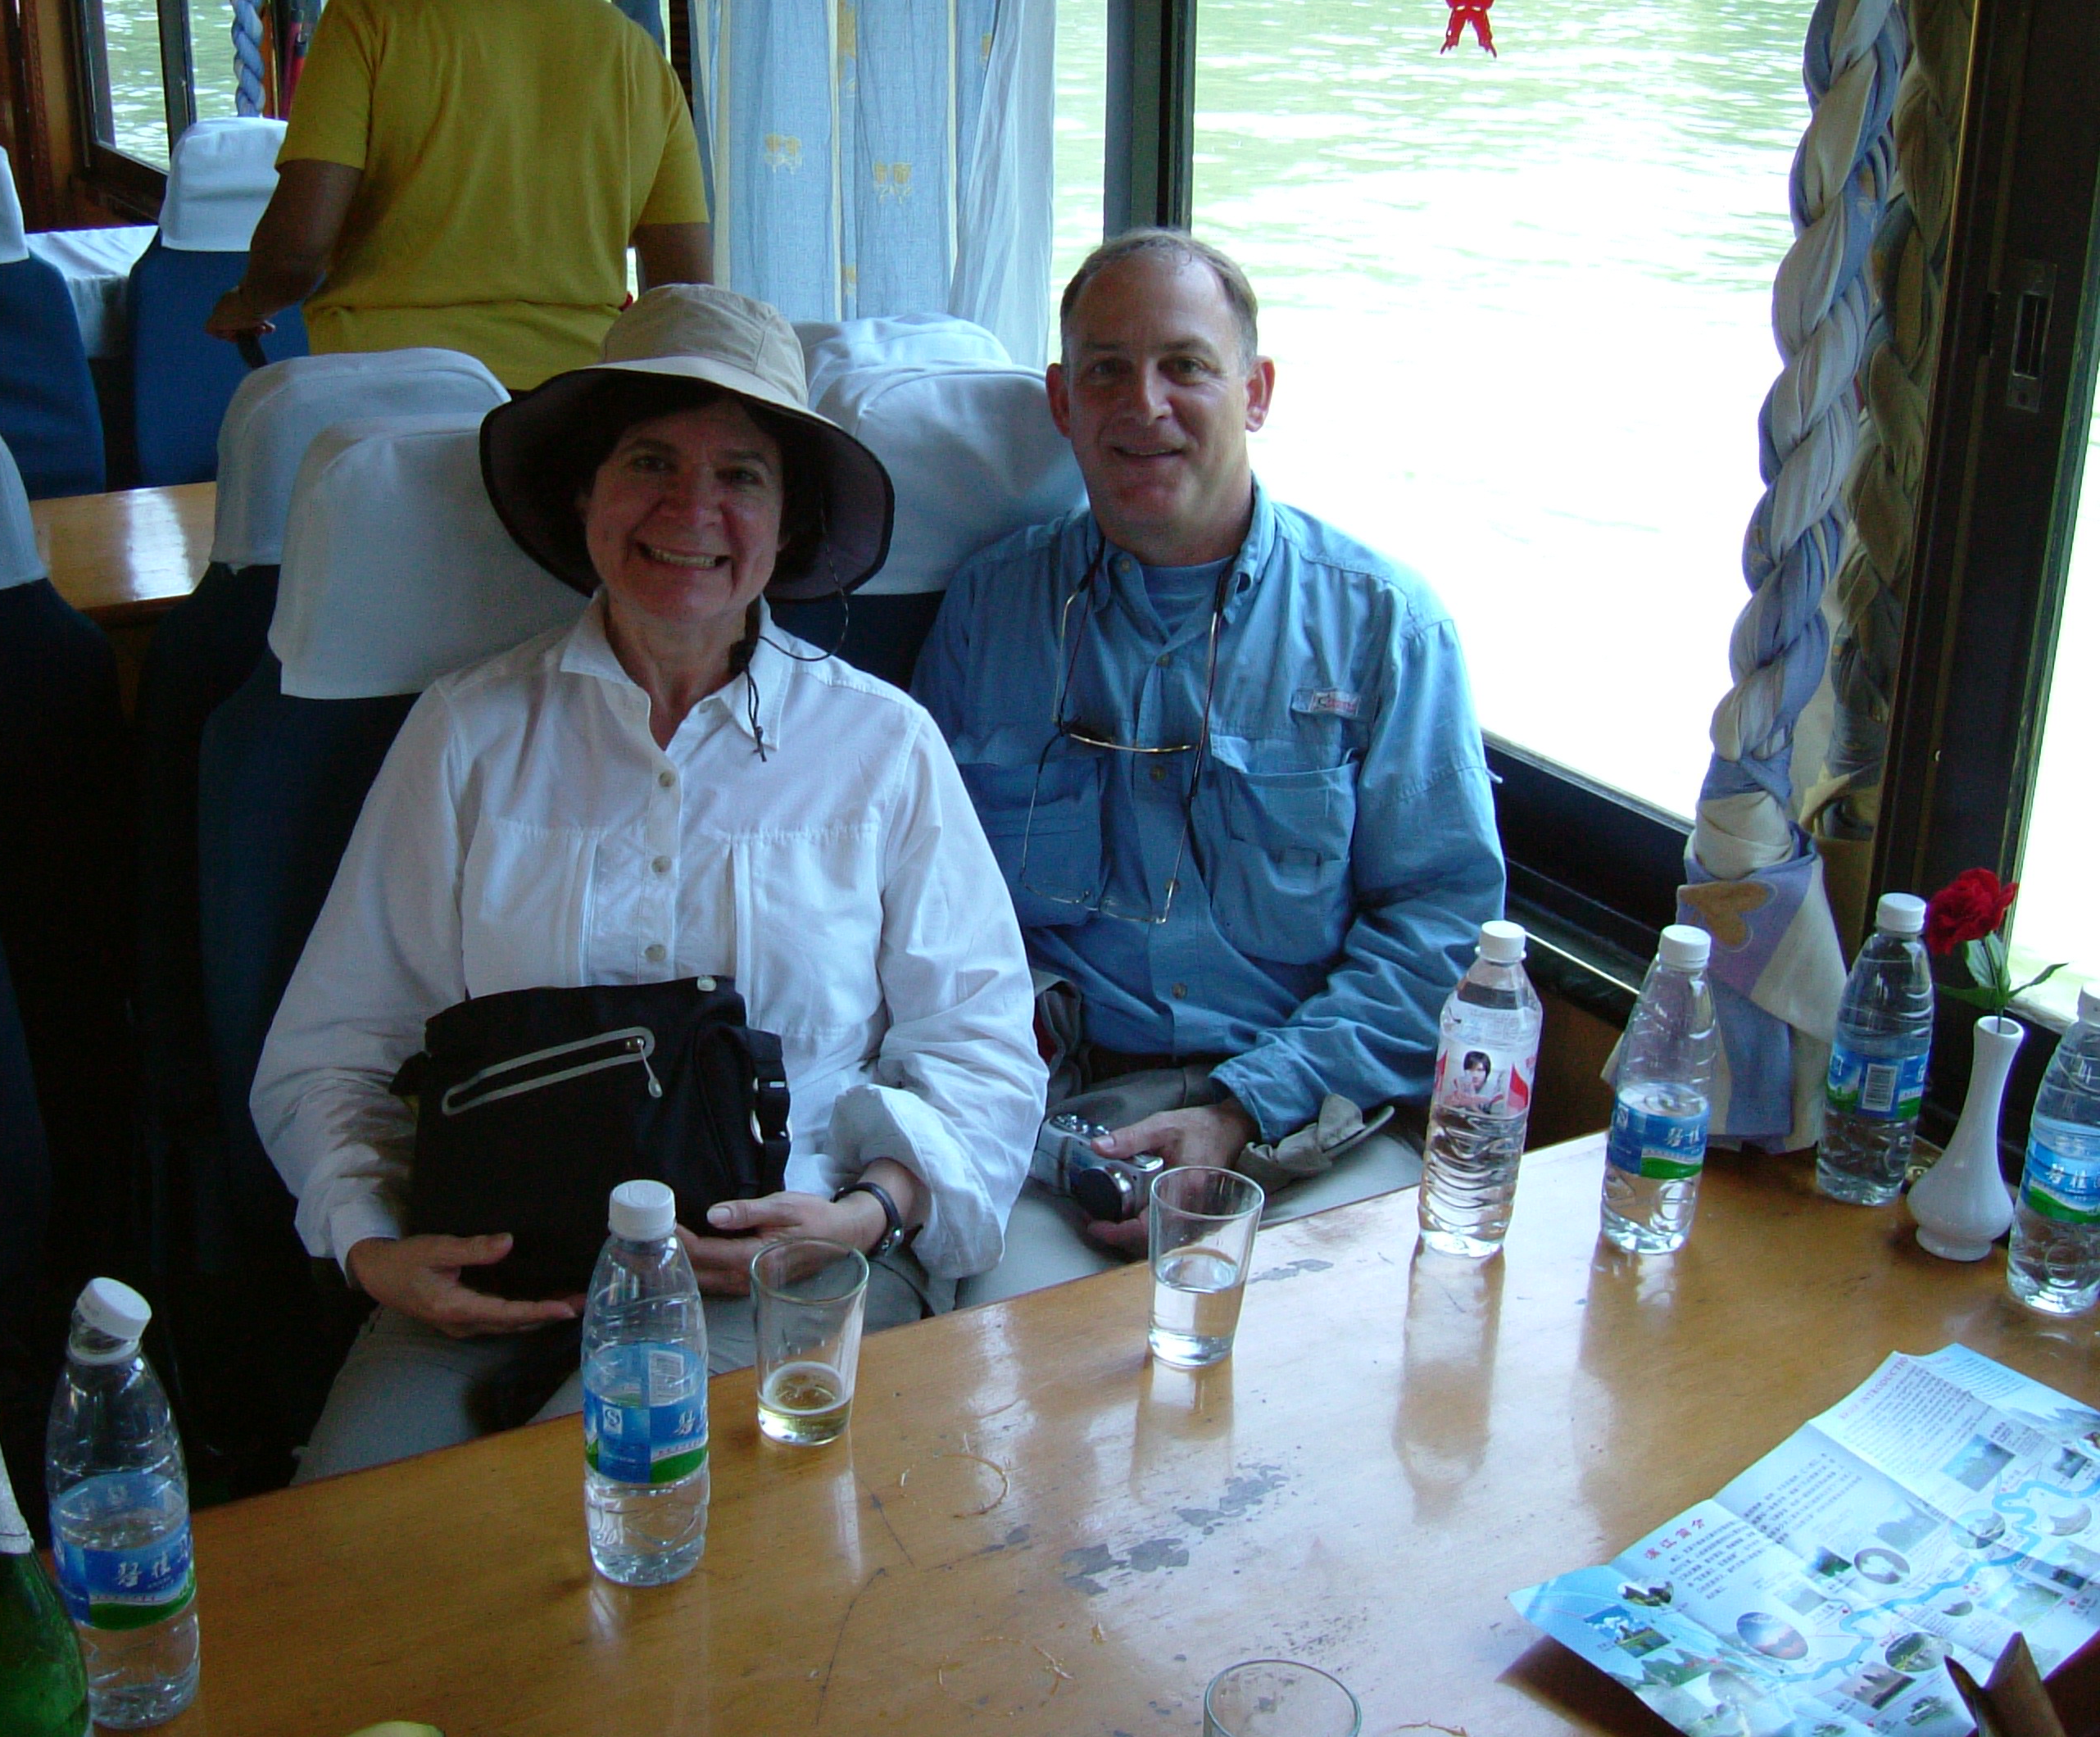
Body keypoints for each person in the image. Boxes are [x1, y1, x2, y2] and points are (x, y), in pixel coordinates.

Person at [252, 285, 1045, 1479]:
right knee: (349, 1539)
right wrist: (370, 1242)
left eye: (741, 475)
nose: (691, 509)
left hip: (781, 1274)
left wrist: (866, 1213)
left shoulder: (883, 746)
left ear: (785, 523)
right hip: (492, 1274)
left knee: (587, 1508)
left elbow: (980, 1045)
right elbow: (336, 1045)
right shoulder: (466, 735)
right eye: (650, 462)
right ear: (585, 493)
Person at [911, 229, 1504, 1284]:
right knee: (1011, 1355)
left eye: (1184, 365)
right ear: (1061, 401)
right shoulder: (986, 612)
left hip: (1308, 1117)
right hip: (1061, 1123)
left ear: (1255, 392)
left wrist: (1244, 1106)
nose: (1143, 404)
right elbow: (920, 898)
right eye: (1106, 370)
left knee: (1359, 1336)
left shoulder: (1384, 626)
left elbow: (1441, 928)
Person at [206, 0, 711, 389]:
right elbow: (686, 296)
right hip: (569, 407)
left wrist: (249, 303)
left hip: (383, 396)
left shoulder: (368, 18)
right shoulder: (639, 57)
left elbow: (299, 248)